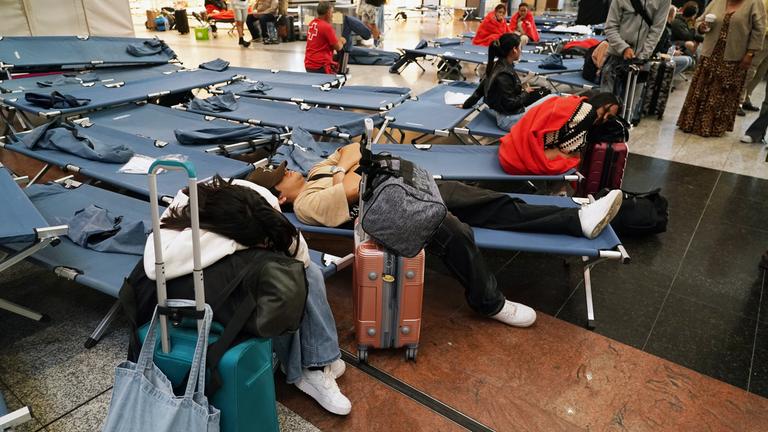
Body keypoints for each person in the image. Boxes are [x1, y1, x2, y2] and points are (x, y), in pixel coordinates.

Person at [247, 151, 624, 330]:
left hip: (404, 189)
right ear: (281, 197)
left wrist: (340, 167)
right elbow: (352, 183)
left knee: (489, 201)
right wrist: (340, 170)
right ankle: (488, 302)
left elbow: (353, 154)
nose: (291, 169)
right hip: (396, 216)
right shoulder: (309, 203)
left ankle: (577, 220)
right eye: (283, 175)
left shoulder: (315, 173)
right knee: (457, 234)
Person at [144, 176, 353, 415]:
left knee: (307, 273)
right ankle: (303, 371)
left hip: (231, 257)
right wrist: (233, 245)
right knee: (275, 282)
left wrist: (274, 247)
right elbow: (154, 267)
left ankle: (318, 360)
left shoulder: (262, 202)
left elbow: (299, 255)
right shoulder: (187, 218)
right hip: (190, 281)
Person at [677, 0, 766, 137]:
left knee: (722, 92)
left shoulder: (754, 3)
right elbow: (699, 20)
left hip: (734, 56)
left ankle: (712, 127)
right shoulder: (717, 1)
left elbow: (759, 31)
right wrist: (702, 27)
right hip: (710, 53)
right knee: (701, 88)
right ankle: (690, 123)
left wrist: (750, 53)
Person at [499, 92, 621, 176]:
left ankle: (559, 190)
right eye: (606, 111)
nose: (604, 117)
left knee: (569, 155)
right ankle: (559, 192)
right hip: (517, 156)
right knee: (573, 160)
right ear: (601, 102)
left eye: (609, 117)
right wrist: (571, 154)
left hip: (512, 143)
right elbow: (566, 150)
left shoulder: (577, 102)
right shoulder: (588, 116)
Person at [462, 33, 554, 131]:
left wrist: (466, 104)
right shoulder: (504, 74)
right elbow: (509, 104)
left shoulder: (497, 66)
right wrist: (525, 93)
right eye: (520, 48)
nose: (520, 51)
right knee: (553, 98)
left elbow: (478, 92)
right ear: (514, 50)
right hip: (509, 121)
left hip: (505, 115)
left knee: (548, 98)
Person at [600, 0, 671, 100]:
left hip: (640, 62)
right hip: (615, 59)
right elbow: (610, 27)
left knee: (631, 105)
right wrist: (624, 48)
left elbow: (657, 30)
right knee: (606, 104)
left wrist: (643, 57)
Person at [739, 0, 768, 114]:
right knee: (750, 71)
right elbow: (760, 18)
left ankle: (746, 98)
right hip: (764, 38)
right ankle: (737, 101)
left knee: (761, 73)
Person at [304, 1, 346, 74]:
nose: (332, 15)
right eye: (332, 12)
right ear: (328, 12)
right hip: (320, 66)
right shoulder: (327, 27)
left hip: (309, 65)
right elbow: (338, 47)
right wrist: (342, 41)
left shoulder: (312, 23)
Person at [654, 6, 695, 75]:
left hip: (667, 50)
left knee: (689, 60)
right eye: (675, 14)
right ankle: (663, 78)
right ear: (671, 15)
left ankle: (665, 78)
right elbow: (659, 49)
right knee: (686, 60)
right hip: (658, 56)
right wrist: (673, 52)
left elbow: (666, 44)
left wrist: (674, 49)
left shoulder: (668, 27)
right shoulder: (665, 29)